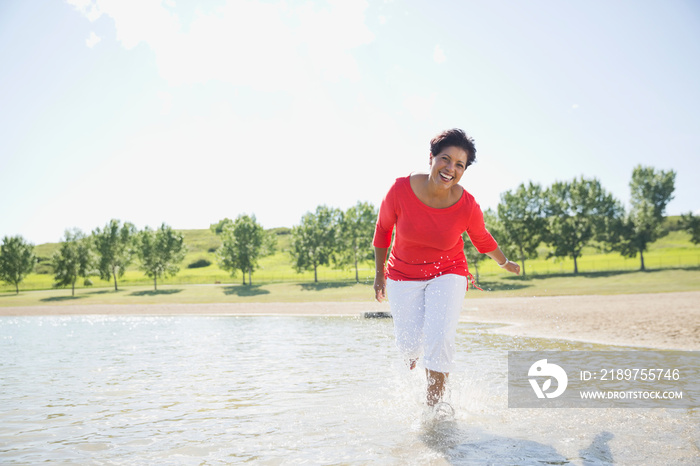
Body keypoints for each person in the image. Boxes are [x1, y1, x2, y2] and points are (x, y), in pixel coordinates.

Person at [373, 128, 520, 409]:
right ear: (431, 158)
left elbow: (481, 238)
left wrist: (503, 261)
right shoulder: (400, 190)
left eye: (459, 165)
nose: (450, 168)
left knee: (439, 337)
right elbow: (383, 231)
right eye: (445, 159)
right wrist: (380, 275)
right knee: (409, 347)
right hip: (403, 275)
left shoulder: (466, 205)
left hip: (448, 271)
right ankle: (420, 377)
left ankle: (435, 410)